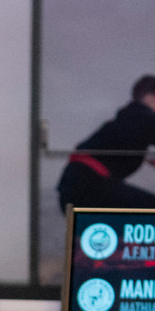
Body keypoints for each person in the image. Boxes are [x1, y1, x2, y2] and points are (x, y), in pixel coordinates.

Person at [57, 75, 155, 212]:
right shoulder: (142, 116)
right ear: (149, 98)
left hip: (73, 189)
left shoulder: (127, 119)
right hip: (89, 186)